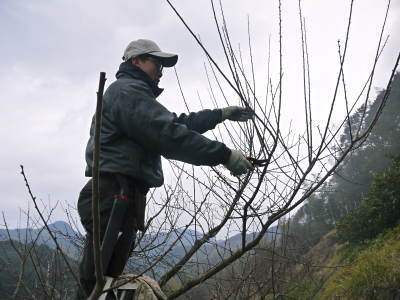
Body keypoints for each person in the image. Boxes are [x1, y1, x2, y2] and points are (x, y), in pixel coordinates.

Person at [76, 39, 253, 298]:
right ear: (136, 61)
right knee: (96, 283)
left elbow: (174, 125)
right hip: (114, 196)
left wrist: (219, 114)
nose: (161, 71)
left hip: (122, 197)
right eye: (157, 63)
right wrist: (224, 155)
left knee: (106, 280)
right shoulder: (126, 91)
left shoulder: (133, 94)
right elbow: (167, 134)